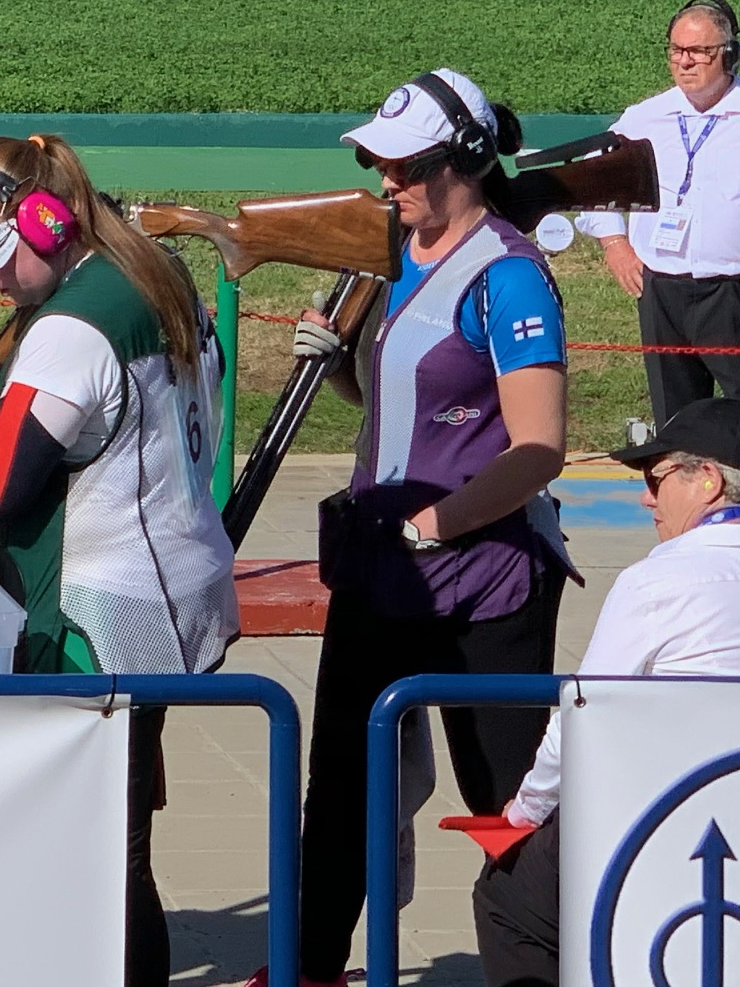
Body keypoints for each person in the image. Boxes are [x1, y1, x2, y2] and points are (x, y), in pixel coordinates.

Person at [265, 69, 574, 987]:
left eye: (406, 166)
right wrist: (338, 365)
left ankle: (544, 966)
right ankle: (310, 968)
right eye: (378, 163)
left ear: (466, 163)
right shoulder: (393, 256)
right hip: (384, 572)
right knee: (341, 789)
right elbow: (405, 408)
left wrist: (436, 523)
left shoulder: (511, 277)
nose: (386, 181)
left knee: (509, 808)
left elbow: (539, 448)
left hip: (485, 586)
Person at [0, 133, 237, 987]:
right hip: (169, 588)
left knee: (103, 852)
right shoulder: (151, 272)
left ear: (46, 221)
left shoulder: (71, 328)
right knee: (121, 839)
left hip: (96, 615)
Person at [471, 397, 740, 987]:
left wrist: (525, 810)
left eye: (655, 478)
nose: (646, 498)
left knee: (508, 900)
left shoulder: (658, 581)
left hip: (678, 818)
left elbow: (584, 713)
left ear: (708, 481)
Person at [576, 0, 740, 430]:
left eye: (700, 51)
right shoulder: (645, 118)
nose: (685, 61)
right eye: (677, 50)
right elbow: (594, 180)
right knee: (676, 420)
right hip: (662, 293)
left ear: (730, 54)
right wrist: (614, 243)